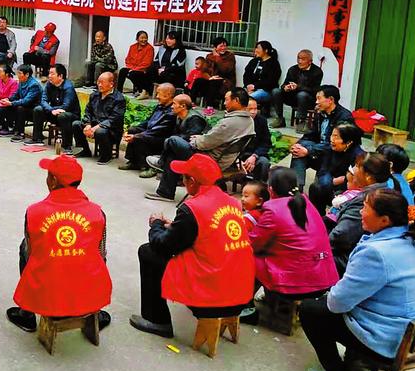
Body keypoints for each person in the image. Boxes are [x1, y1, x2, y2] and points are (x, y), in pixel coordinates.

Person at [300, 188, 415, 371]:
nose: (361, 212)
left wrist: (333, 293)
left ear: (384, 220)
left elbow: (337, 303)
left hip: (384, 337)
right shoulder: (407, 240)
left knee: (311, 310)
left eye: (366, 208)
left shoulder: (376, 253)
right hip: (403, 333)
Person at [129, 154, 254, 338]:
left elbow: (163, 246)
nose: (183, 180)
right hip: (241, 295)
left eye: (184, 177)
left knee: (148, 252)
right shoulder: (233, 203)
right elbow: (205, 232)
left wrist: (156, 224)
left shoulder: (193, 208)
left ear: (192, 181)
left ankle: (157, 320)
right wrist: (173, 226)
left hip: (214, 297)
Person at [7, 154, 112, 333]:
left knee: (25, 246)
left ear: (54, 181)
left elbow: (32, 254)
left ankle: (27, 313)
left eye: (48, 175)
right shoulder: (97, 213)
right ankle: (93, 309)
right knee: (95, 254)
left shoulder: (34, 212)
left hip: (49, 293)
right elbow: (101, 255)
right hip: (87, 293)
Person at [242, 167, 339, 325]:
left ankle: (246, 307)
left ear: (271, 189)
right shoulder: (305, 202)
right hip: (322, 278)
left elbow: (253, 244)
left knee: (245, 254)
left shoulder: (273, 209)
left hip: (297, 283)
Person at [148, 88, 254, 201]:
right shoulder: (249, 121)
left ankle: (162, 165)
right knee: (173, 153)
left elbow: (204, 144)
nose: (224, 103)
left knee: (173, 140)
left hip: (209, 160)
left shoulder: (230, 123)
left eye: (226, 100)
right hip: (223, 159)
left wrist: (196, 139)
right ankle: (165, 191)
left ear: (236, 100)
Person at [329, 153, 392, 274]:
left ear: (368, 177)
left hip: (347, 258)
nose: (353, 169)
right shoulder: (383, 190)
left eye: (357, 166)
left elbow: (341, 235)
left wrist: (319, 246)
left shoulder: (367, 200)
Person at [290, 85, 354, 187]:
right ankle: (296, 189)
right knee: (298, 152)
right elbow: (311, 135)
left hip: (334, 157)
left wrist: (309, 150)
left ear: (330, 100)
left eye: (319, 98)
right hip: (320, 152)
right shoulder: (321, 114)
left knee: (318, 187)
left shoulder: (345, 118)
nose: (316, 102)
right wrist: (297, 146)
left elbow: (335, 145)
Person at [307, 123, 366, 216]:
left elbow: (356, 180)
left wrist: (339, 181)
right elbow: (323, 170)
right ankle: (317, 217)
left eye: (336, 137)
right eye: (332, 135)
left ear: (349, 142)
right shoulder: (331, 149)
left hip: (348, 192)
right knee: (316, 188)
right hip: (330, 185)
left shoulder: (359, 157)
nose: (332, 140)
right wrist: (330, 182)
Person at [120, 83, 176, 177]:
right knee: (133, 130)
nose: (157, 96)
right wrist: (133, 129)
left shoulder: (172, 112)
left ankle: (148, 165)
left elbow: (158, 130)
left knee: (140, 137)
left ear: (168, 95)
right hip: (151, 131)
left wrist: (136, 136)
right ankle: (133, 162)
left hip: (160, 137)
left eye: (159, 94)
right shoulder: (159, 106)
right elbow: (147, 121)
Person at [24, 64, 81, 154]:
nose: (49, 76)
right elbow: (43, 100)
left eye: (52, 74)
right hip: (54, 112)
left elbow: (66, 106)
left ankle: (67, 146)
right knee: (38, 109)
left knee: (63, 115)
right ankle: (37, 139)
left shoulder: (68, 88)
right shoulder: (49, 84)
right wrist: (51, 110)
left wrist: (53, 109)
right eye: (49, 73)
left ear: (60, 76)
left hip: (70, 115)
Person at [72, 72, 126, 165]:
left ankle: (106, 156)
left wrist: (95, 128)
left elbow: (114, 119)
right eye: (98, 82)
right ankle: (85, 150)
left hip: (111, 129)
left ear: (111, 84)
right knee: (76, 124)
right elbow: (88, 111)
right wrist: (88, 124)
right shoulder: (94, 95)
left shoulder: (119, 99)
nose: (99, 85)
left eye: (102, 82)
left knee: (101, 131)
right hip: (94, 124)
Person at [270, 49, 324, 130]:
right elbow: (284, 84)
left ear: (310, 61)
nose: (299, 61)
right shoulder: (293, 69)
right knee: (276, 91)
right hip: (292, 97)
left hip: (308, 99)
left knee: (302, 95)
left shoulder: (317, 71)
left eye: (303, 59)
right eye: (298, 58)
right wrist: (286, 87)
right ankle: (280, 118)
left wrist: (298, 87)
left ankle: (302, 122)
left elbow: (314, 90)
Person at [0, 64, 42, 142]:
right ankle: (10, 128)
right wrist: (8, 99)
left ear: (27, 74)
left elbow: (26, 100)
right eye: (17, 73)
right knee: (8, 106)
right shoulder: (22, 81)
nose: (18, 75)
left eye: (20, 73)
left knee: (19, 108)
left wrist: (11, 103)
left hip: (34, 109)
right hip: (25, 106)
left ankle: (20, 133)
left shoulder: (34, 85)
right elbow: (16, 95)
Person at [242, 40, 281, 109]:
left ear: (266, 50)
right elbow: (246, 75)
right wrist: (248, 86)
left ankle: (247, 113)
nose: (256, 50)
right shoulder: (254, 61)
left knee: (248, 98)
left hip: (265, 90)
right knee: (236, 95)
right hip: (249, 88)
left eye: (258, 48)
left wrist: (255, 86)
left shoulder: (274, 63)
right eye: (256, 48)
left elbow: (271, 80)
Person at [242, 97, 272, 182]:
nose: (253, 112)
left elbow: (266, 142)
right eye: (250, 109)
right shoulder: (236, 121)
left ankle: (260, 186)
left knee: (264, 162)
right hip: (238, 155)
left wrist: (254, 156)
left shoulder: (262, 120)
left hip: (256, 153)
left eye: (255, 109)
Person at [116, 30, 154, 97]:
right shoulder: (132, 47)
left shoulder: (150, 48)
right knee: (122, 71)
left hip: (143, 69)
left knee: (133, 74)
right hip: (132, 68)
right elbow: (128, 59)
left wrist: (134, 69)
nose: (144, 40)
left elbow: (147, 63)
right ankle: (119, 91)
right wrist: (131, 68)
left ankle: (141, 90)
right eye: (142, 38)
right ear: (137, 39)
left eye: (145, 38)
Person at [204, 37, 236, 107]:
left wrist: (217, 57)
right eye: (221, 46)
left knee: (213, 83)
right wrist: (210, 77)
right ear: (215, 47)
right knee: (198, 81)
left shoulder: (230, 56)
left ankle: (209, 107)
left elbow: (225, 70)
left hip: (225, 80)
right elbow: (205, 70)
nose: (223, 48)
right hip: (212, 78)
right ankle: (191, 103)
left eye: (225, 46)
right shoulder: (209, 56)